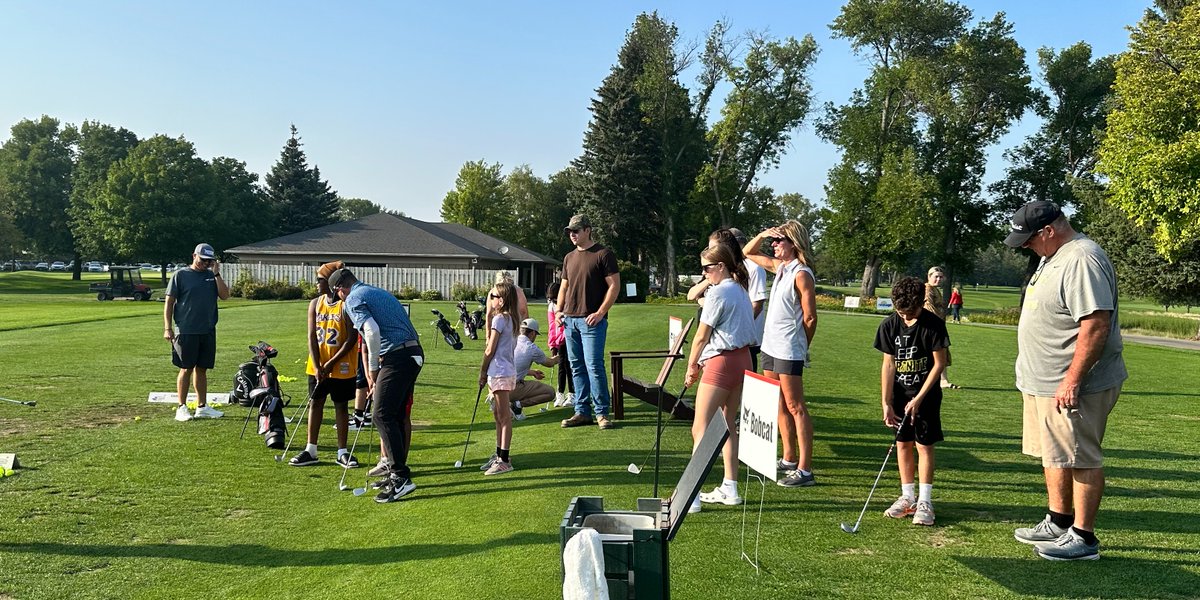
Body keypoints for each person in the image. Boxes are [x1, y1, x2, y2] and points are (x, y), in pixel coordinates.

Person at [1004, 201, 1126, 561]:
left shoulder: (1082, 258)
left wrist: (1072, 380)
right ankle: (1059, 521)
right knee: (1055, 453)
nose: (1025, 247)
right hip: (1045, 380)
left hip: (1075, 384)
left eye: (1028, 240)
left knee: (1081, 456)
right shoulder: (1052, 255)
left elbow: (1096, 324)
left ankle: (1084, 538)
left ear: (1049, 231)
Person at [328, 267, 424, 503]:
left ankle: (401, 477)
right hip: (412, 353)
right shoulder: (376, 292)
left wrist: (372, 370)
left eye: (337, 294)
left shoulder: (353, 299)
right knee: (396, 414)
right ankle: (395, 472)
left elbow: (371, 331)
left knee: (381, 415)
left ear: (340, 289)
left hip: (397, 357)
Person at [743, 221, 818, 487]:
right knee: (778, 404)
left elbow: (810, 317)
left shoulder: (801, 274)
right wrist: (763, 233)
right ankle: (788, 457)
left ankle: (805, 469)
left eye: (779, 240)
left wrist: (801, 346)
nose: (773, 245)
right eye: (773, 241)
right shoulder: (781, 268)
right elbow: (748, 253)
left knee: (796, 406)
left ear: (793, 243)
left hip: (788, 348)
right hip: (771, 345)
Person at [685, 243, 756, 513]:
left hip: (722, 362)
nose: (704, 274)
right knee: (727, 424)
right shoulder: (739, 289)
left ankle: (691, 497)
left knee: (700, 428)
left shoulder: (719, 292)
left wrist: (692, 366)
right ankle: (730, 487)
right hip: (743, 359)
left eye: (707, 269)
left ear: (721, 267)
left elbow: (702, 336)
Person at [875, 276, 950, 527]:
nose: (905, 317)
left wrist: (919, 398)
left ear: (921, 304)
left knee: (924, 446)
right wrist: (886, 402)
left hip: (926, 397)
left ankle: (925, 501)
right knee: (902, 444)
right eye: (900, 312)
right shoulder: (889, 326)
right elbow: (888, 364)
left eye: (910, 312)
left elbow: (939, 364)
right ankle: (907, 496)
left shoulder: (933, 325)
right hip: (899, 396)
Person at [289, 261, 360, 468]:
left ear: (330, 281)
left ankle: (342, 452)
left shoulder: (345, 304)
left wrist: (330, 363)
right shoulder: (315, 303)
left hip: (341, 366)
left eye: (320, 280)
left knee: (341, 406)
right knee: (316, 403)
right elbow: (311, 336)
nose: (317, 284)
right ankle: (311, 449)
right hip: (317, 366)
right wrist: (318, 363)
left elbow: (351, 338)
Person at [556, 214, 621, 430]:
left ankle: (602, 413)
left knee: (594, 366)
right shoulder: (569, 257)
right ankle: (582, 412)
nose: (572, 235)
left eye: (576, 230)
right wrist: (558, 310)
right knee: (576, 367)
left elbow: (614, 286)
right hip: (570, 321)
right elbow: (563, 287)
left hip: (592, 321)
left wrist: (601, 312)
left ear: (588, 230)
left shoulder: (603, 254)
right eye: (570, 231)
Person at [163, 243, 230, 422]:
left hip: (207, 329)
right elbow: (169, 303)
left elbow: (225, 295)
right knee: (186, 368)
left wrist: (216, 273)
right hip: (186, 330)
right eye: (202, 260)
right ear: (194, 256)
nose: (205, 264)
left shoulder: (211, 275)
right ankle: (182, 407)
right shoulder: (181, 275)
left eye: (209, 261)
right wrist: (167, 328)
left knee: (202, 369)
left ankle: (202, 407)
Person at [688, 228, 767, 371]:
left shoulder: (752, 269)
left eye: (713, 248)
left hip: (739, 343)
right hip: (719, 342)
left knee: (742, 389)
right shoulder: (716, 272)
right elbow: (693, 295)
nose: (710, 252)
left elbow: (756, 305)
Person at [479, 281, 521, 475]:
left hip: (499, 372)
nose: (491, 299)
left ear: (502, 300)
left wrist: (482, 372)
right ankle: (499, 455)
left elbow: (490, 348)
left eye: (494, 296)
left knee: (504, 417)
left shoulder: (500, 320)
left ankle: (504, 459)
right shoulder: (511, 318)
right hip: (503, 372)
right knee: (498, 415)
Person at [509, 318, 562, 417]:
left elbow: (514, 365)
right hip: (511, 388)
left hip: (496, 386)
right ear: (533, 333)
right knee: (550, 393)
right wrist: (559, 358)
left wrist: (531, 372)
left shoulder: (512, 340)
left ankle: (508, 403)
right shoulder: (530, 347)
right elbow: (549, 363)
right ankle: (517, 405)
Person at [925, 267, 959, 389]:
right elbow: (929, 308)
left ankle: (943, 380)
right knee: (937, 353)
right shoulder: (927, 289)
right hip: (931, 328)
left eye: (940, 277)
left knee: (942, 352)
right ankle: (939, 380)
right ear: (929, 276)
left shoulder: (935, 290)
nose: (939, 279)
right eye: (936, 276)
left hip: (938, 326)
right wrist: (937, 324)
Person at [546, 281, 575, 407]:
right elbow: (552, 326)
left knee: (571, 367)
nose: (553, 301)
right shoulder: (552, 306)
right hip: (560, 341)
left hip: (571, 338)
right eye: (551, 299)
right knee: (561, 367)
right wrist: (552, 343)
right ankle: (560, 394)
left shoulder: (569, 304)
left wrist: (562, 338)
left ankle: (573, 394)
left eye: (555, 298)